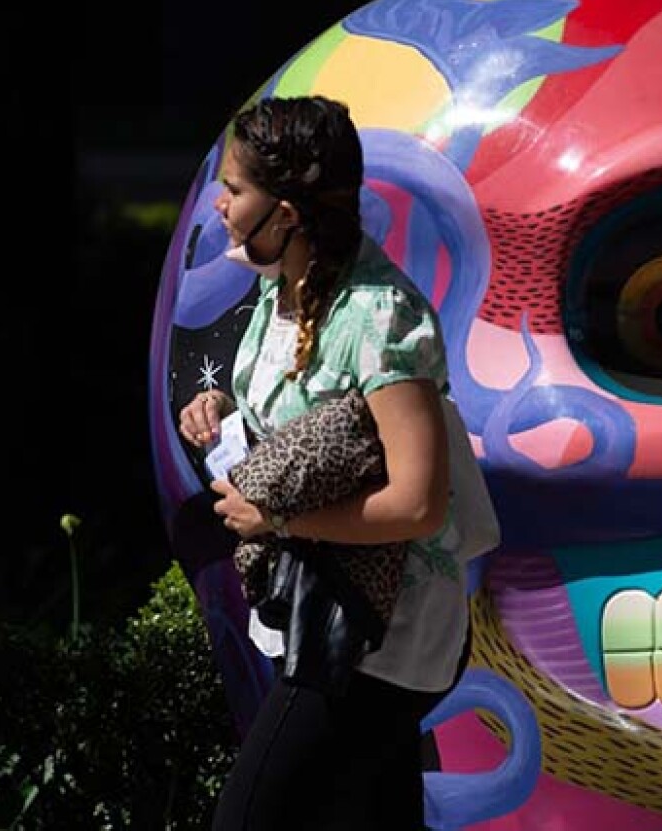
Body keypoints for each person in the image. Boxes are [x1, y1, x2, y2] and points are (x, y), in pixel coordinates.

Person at [177, 94, 488, 829]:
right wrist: (223, 405)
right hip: (328, 607)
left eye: (235, 190)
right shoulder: (283, 287)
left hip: (381, 627)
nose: (219, 205)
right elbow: (310, 409)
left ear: (285, 212)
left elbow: (419, 503)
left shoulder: (380, 315)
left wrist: (277, 515)